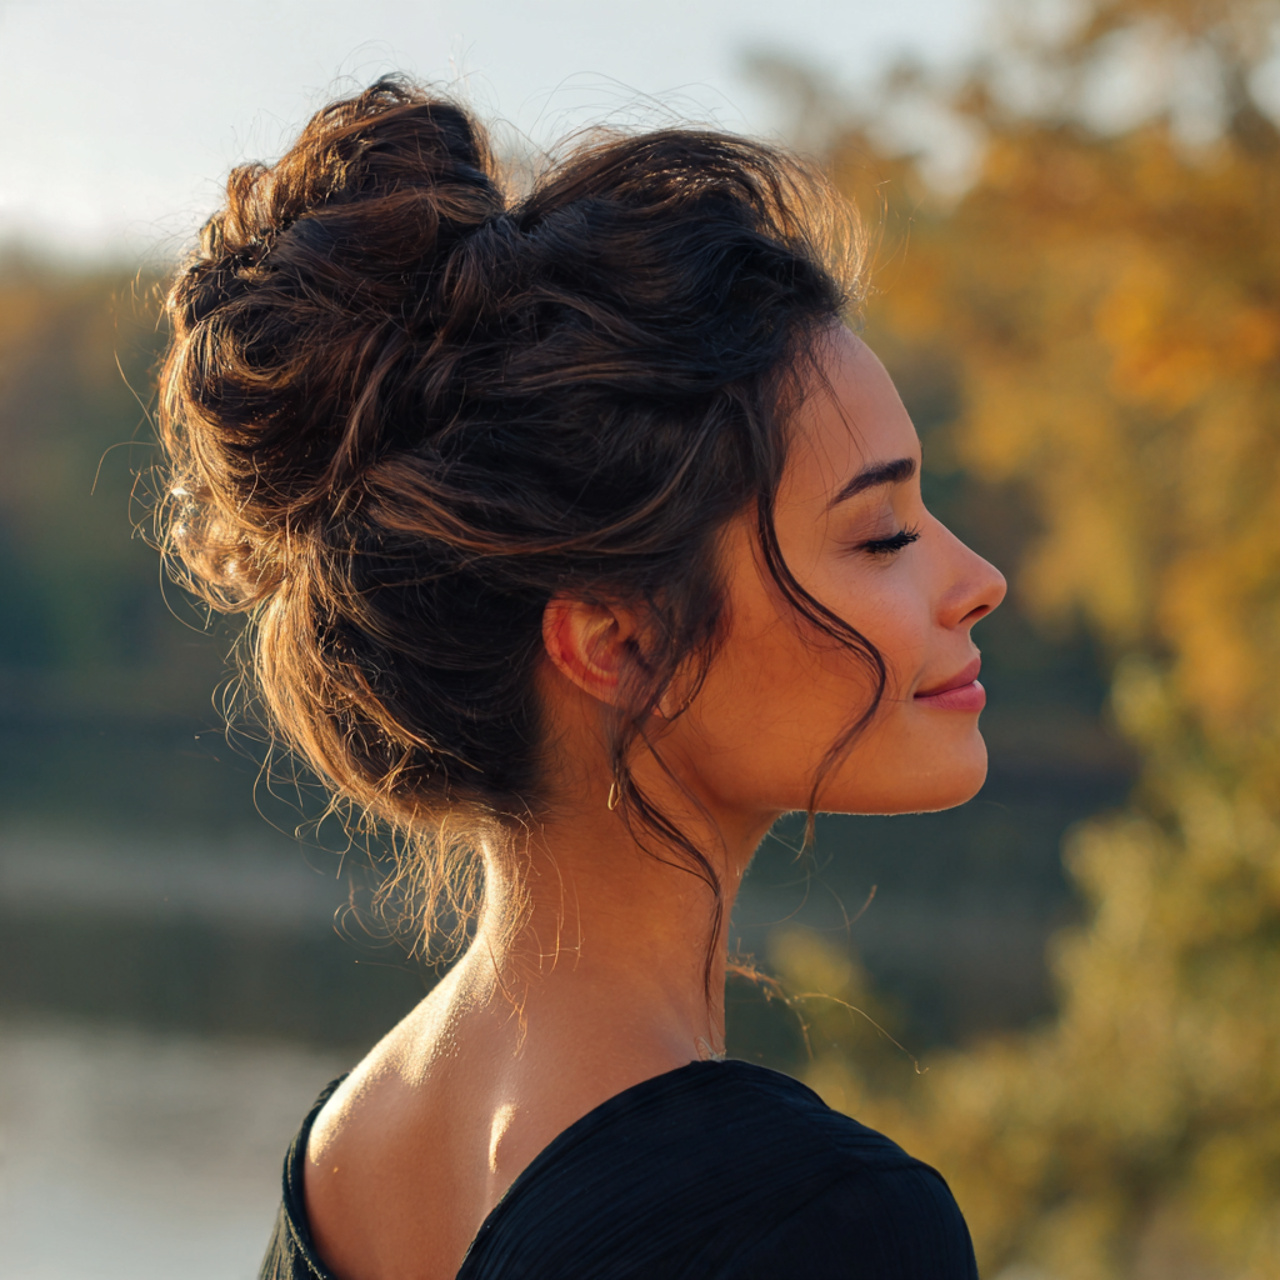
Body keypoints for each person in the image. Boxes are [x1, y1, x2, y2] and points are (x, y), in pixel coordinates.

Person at [156, 77, 1005, 1279]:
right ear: (614, 641)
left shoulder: (342, 1158)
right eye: (880, 536)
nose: (977, 580)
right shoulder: (813, 1223)